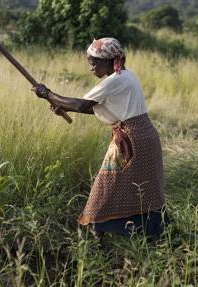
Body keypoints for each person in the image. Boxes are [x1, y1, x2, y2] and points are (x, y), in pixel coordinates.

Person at [32, 37, 168, 241]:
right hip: (144, 136)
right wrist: (62, 104)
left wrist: (47, 93)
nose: (91, 67)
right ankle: (150, 236)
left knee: (104, 188)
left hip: (131, 140)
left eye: (95, 62)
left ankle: (98, 237)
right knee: (143, 188)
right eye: (90, 62)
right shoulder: (127, 76)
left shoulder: (116, 80)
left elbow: (80, 105)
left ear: (110, 61)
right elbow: (95, 107)